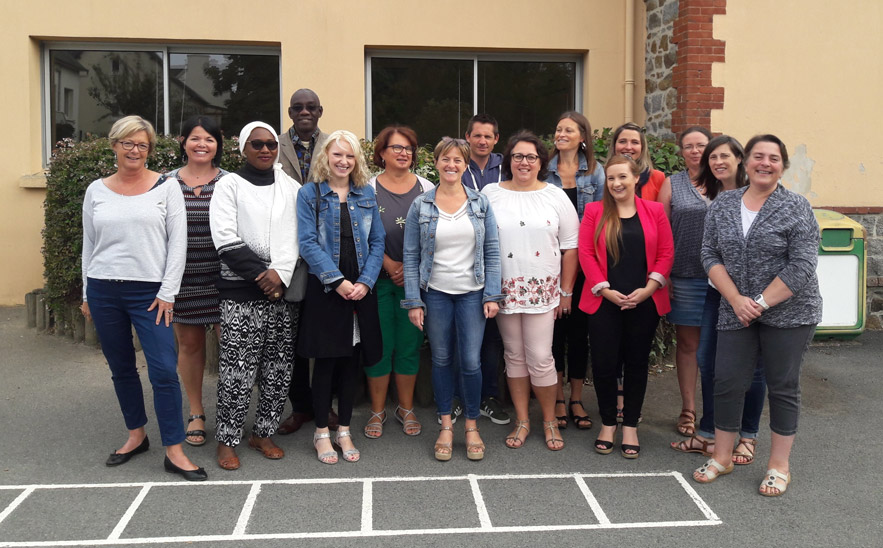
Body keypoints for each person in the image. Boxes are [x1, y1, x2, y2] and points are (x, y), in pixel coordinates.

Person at [693, 135, 821, 497]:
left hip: (790, 312)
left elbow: (803, 265)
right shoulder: (725, 204)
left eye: (774, 158)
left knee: (782, 387)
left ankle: (779, 466)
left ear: (783, 166)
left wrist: (760, 303)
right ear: (745, 162)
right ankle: (722, 456)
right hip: (736, 308)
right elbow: (709, 254)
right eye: (758, 157)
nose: (765, 163)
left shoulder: (796, 207)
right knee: (727, 381)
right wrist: (735, 299)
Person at [80, 115, 206, 481]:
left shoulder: (166, 188)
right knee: (121, 368)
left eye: (142, 145)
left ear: (149, 150)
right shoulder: (96, 190)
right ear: (114, 145)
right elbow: (89, 245)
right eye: (127, 143)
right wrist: (88, 292)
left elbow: (177, 243)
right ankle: (136, 435)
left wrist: (168, 292)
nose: (135, 150)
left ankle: (174, 449)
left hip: (149, 293)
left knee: (165, 371)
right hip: (104, 289)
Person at [402, 137, 503, 461]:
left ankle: (471, 426)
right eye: (446, 159)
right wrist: (414, 300)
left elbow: (491, 250)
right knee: (442, 359)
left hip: (472, 293)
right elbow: (411, 254)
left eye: (458, 160)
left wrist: (492, 293)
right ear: (437, 162)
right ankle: (446, 425)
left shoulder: (479, 203)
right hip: (436, 294)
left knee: (471, 362)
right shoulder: (422, 204)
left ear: (465, 164)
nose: (451, 165)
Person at [670, 135, 767, 465]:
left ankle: (748, 436)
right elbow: (709, 250)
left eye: (723, 156)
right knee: (709, 361)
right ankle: (709, 433)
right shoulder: (712, 197)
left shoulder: (757, 193)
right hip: (717, 292)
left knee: (752, 367)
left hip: (754, 296)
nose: (716, 161)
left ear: (739, 158)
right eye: (713, 158)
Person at [210, 122, 300, 471]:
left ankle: (263, 432)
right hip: (241, 293)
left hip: (281, 292)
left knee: (279, 368)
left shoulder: (289, 187)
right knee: (238, 369)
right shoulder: (228, 185)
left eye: (271, 144)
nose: (265, 150)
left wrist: (280, 274)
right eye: (257, 144)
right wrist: (264, 277)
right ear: (243, 148)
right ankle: (227, 439)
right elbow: (225, 237)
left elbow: (297, 235)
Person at [483, 132, 580, 451]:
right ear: (508, 160)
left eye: (531, 157)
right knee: (514, 357)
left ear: (542, 162)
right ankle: (522, 420)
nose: (524, 162)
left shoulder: (555, 195)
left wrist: (566, 292)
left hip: (544, 291)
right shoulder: (490, 193)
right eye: (518, 156)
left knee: (540, 357)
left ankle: (550, 420)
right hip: (504, 290)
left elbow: (570, 247)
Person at [297, 130, 385, 464]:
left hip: (361, 287)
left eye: (349, 156)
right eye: (337, 155)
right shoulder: (310, 195)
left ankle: (344, 429)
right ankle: (322, 432)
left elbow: (376, 242)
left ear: (356, 161)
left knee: (351, 362)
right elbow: (307, 243)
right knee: (326, 362)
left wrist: (364, 281)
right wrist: (337, 281)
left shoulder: (365, 194)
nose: (343, 161)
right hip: (327, 287)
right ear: (325, 157)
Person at [579, 155, 673, 459]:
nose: (616, 183)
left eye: (622, 177)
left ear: (636, 178)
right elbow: (585, 254)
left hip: (643, 302)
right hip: (604, 301)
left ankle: (630, 424)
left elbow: (666, 253)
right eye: (611, 178)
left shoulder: (655, 210)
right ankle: (608, 423)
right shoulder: (594, 211)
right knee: (605, 366)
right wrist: (605, 290)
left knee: (636, 365)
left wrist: (648, 289)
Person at [365, 125, 434, 439]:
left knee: (408, 346)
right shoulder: (366, 188)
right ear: (382, 153)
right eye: (396, 147)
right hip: (376, 280)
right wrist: (387, 262)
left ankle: (405, 408)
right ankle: (377, 410)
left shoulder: (427, 188)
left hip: (414, 284)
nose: (403, 153)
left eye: (408, 148)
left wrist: (409, 267)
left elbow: (435, 237)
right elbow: (358, 234)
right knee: (379, 347)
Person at [277, 88, 336, 435]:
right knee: (293, 337)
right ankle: (299, 407)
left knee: (326, 335)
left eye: (310, 107)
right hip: (286, 252)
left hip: (327, 253)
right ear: (290, 111)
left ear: (320, 110)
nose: (304, 112)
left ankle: (323, 405)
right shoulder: (273, 144)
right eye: (298, 107)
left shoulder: (333, 145)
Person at [167, 116, 228, 447]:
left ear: (218, 145)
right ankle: (196, 413)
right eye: (195, 138)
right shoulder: (164, 183)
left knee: (231, 347)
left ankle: (229, 412)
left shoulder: (231, 182)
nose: (202, 144)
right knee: (189, 346)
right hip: (184, 278)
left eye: (209, 139)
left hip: (226, 279)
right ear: (183, 141)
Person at [546, 111, 605, 430]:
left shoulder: (597, 173)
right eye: (558, 129)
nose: (561, 133)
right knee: (553, 331)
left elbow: (601, 218)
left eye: (568, 129)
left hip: (586, 263)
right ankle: (556, 397)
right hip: (549, 261)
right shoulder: (545, 170)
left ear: (583, 136)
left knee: (580, 333)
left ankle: (577, 398)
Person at [656, 127, 712, 437]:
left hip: (725, 281)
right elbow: (661, 234)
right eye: (688, 146)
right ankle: (688, 409)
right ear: (681, 151)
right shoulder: (672, 184)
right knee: (689, 345)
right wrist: (663, 276)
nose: (694, 151)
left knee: (721, 349)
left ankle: (717, 411)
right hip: (685, 277)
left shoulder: (729, 184)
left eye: (700, 145)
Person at [459, 113, 510, 426]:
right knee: (461, 336)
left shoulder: (508, 167)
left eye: (487, 136)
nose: (481, 141)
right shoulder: (455, 165)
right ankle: (460, 398)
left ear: (496, 139)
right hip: (465, 262)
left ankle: (490, 396)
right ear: (467, 137)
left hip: (504, 259)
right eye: (476, 136)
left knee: (492, 337)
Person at [610, 123, 665, 202]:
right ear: (614, 146)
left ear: (642, 147)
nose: (628, 147)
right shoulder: (602, 176)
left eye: (635, 142)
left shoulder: (657, 178)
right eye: (622, 141)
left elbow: (661, 212)